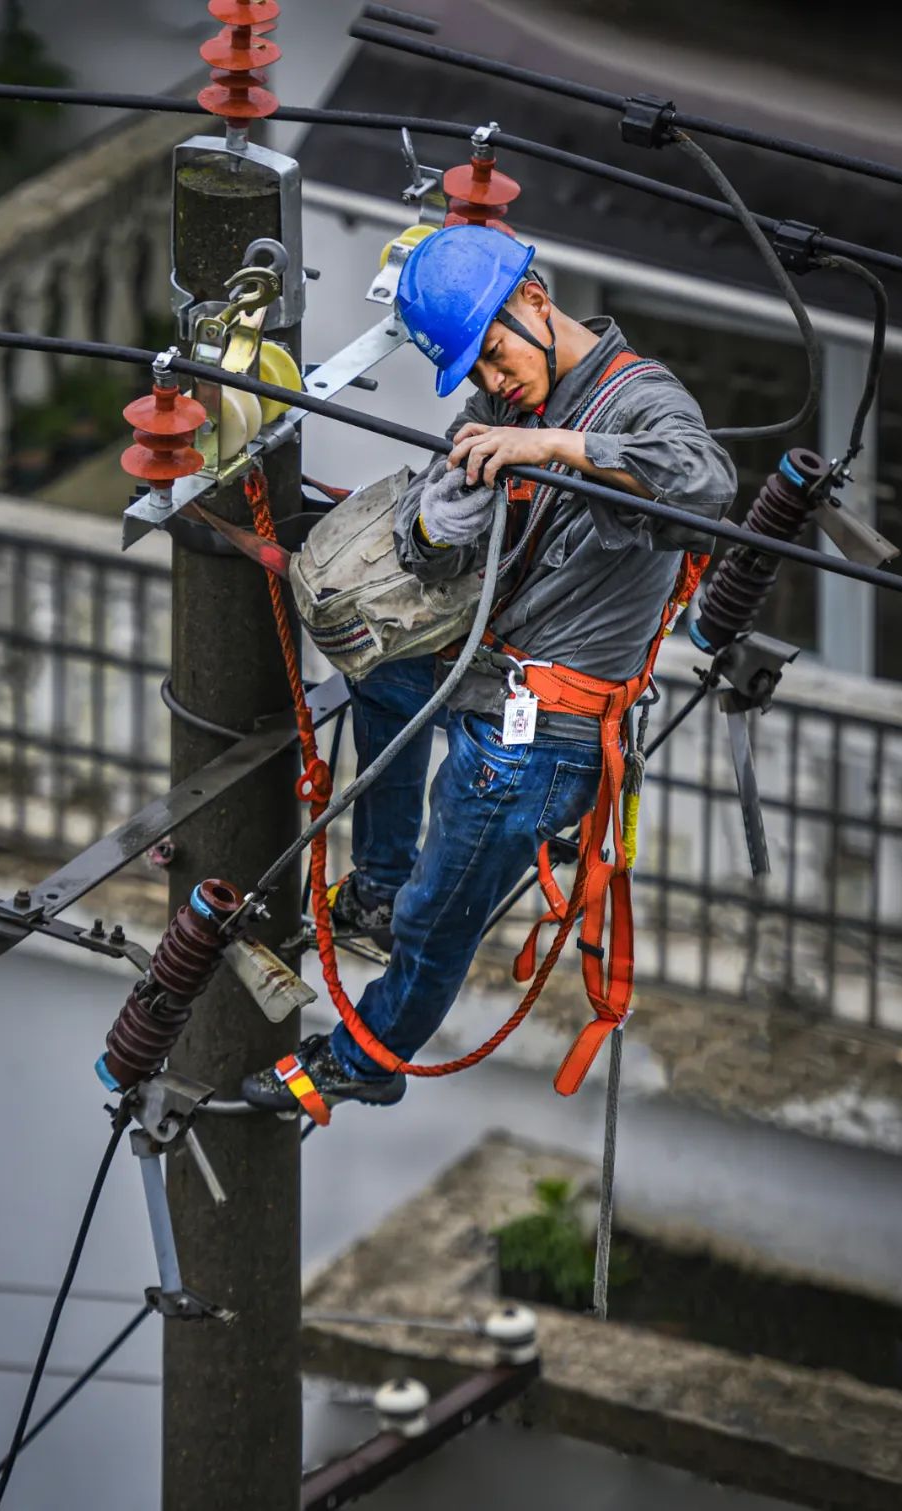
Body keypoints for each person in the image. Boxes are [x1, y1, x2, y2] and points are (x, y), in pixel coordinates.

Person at [242, 223, 736, 1117]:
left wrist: (551, 451)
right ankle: (380, 886)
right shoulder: (507, 404)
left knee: (440, 921)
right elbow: (429, 547)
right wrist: (439, 522)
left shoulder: (639, 403)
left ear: (537, 301)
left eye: (496, 353)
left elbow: (705, 485)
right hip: (487, 669)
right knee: (382, 672)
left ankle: (370, 1052)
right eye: (476, 370)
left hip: (544, 732)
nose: (493, 381)